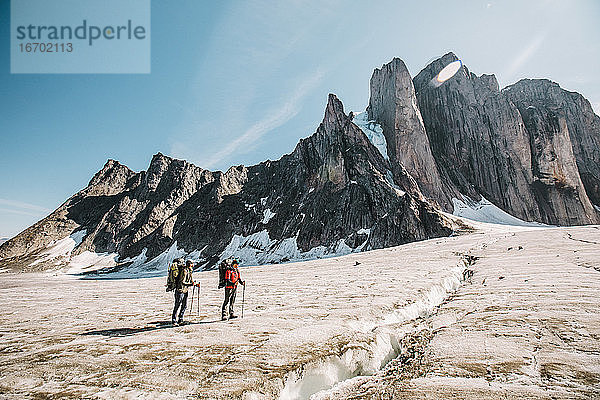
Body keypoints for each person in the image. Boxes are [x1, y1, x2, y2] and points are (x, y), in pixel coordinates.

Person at [172, 259, 195, 325]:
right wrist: (191, 284)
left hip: (185, 290)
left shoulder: (189, 271)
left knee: (184, 305)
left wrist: (192, 283)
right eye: (192, 264)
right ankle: (174, 320)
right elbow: (182, 282)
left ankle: (180, 319)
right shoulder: (184, 271)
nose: (193, 265)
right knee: (177, 305)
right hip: (180, 290)